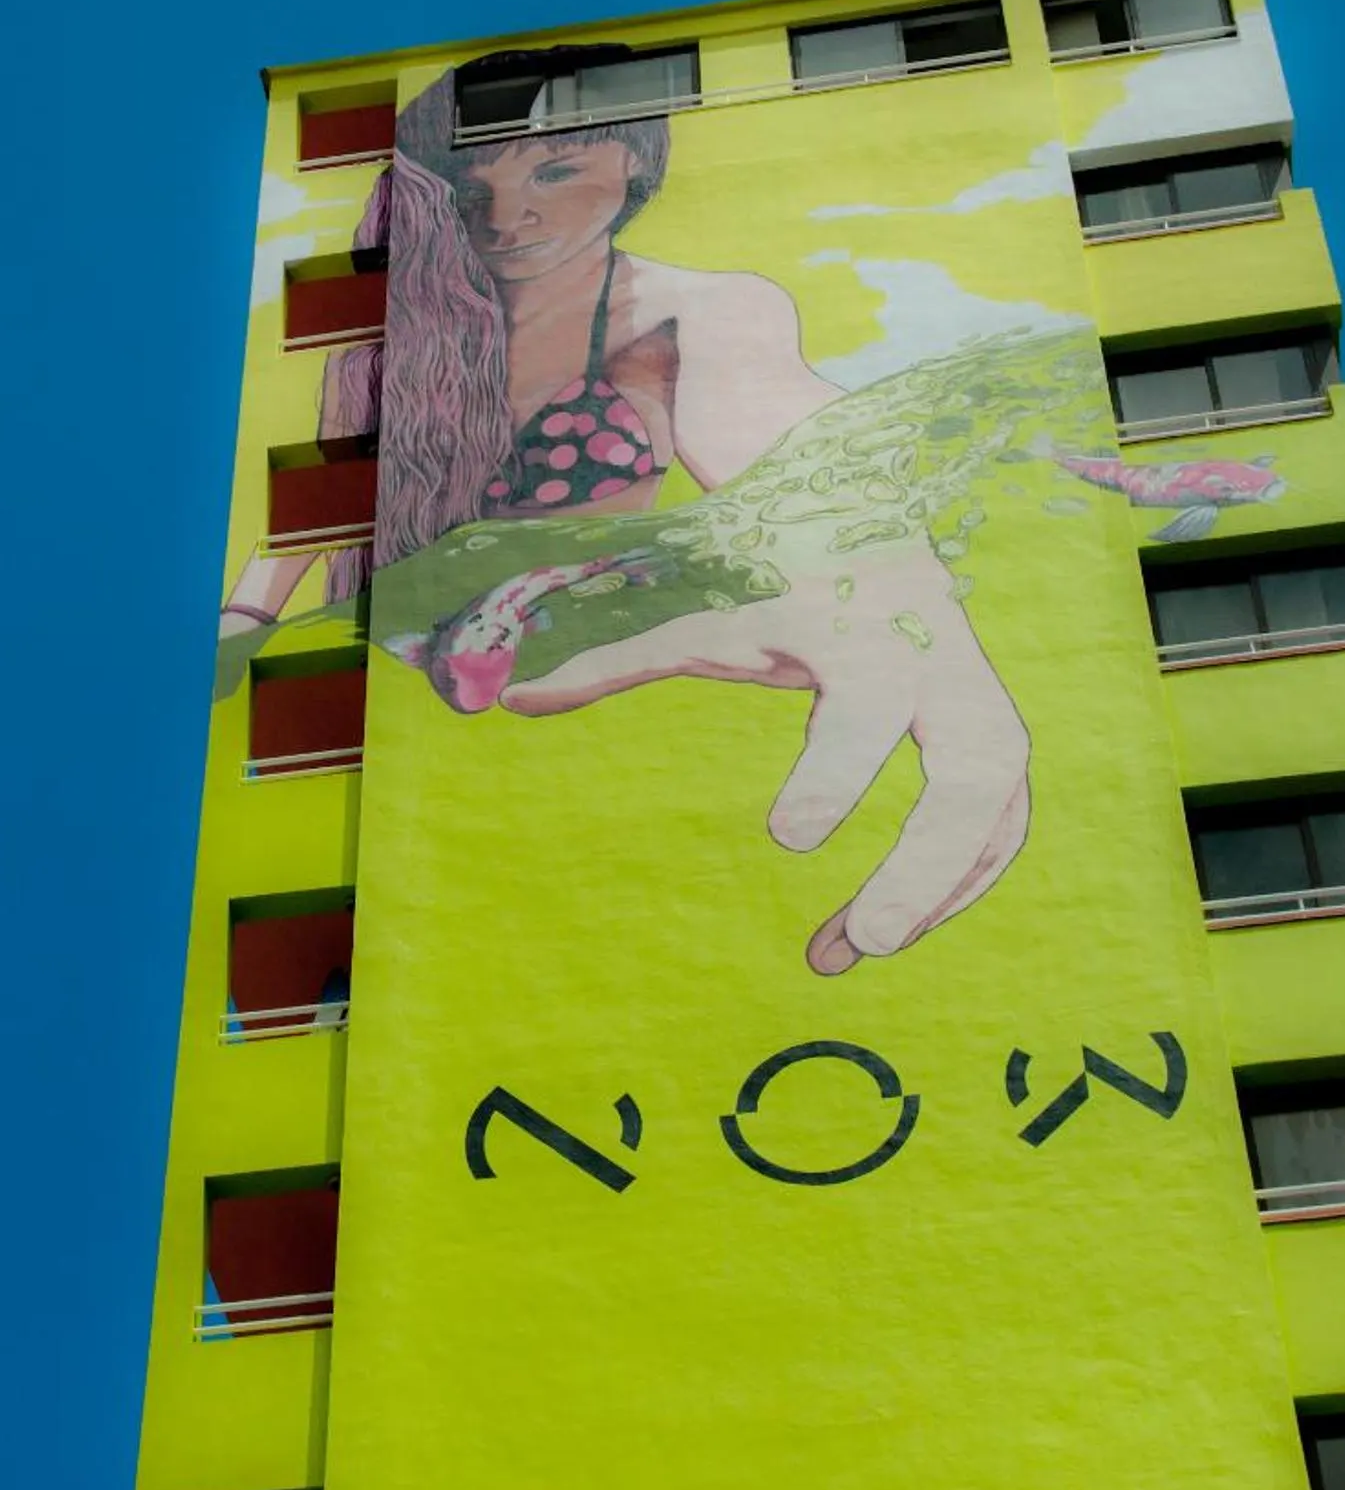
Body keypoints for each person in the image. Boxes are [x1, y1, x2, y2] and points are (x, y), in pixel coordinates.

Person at [221, 49, 1031, 975]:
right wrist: (238, 624)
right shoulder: (384, 352)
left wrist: (903, 602)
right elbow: (314, 516)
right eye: (469, 187)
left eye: (554, 171)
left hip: (567, 651)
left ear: (633, 164)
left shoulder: (698, 314)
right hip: (421, 669)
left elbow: (813, 472)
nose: (506, 216)